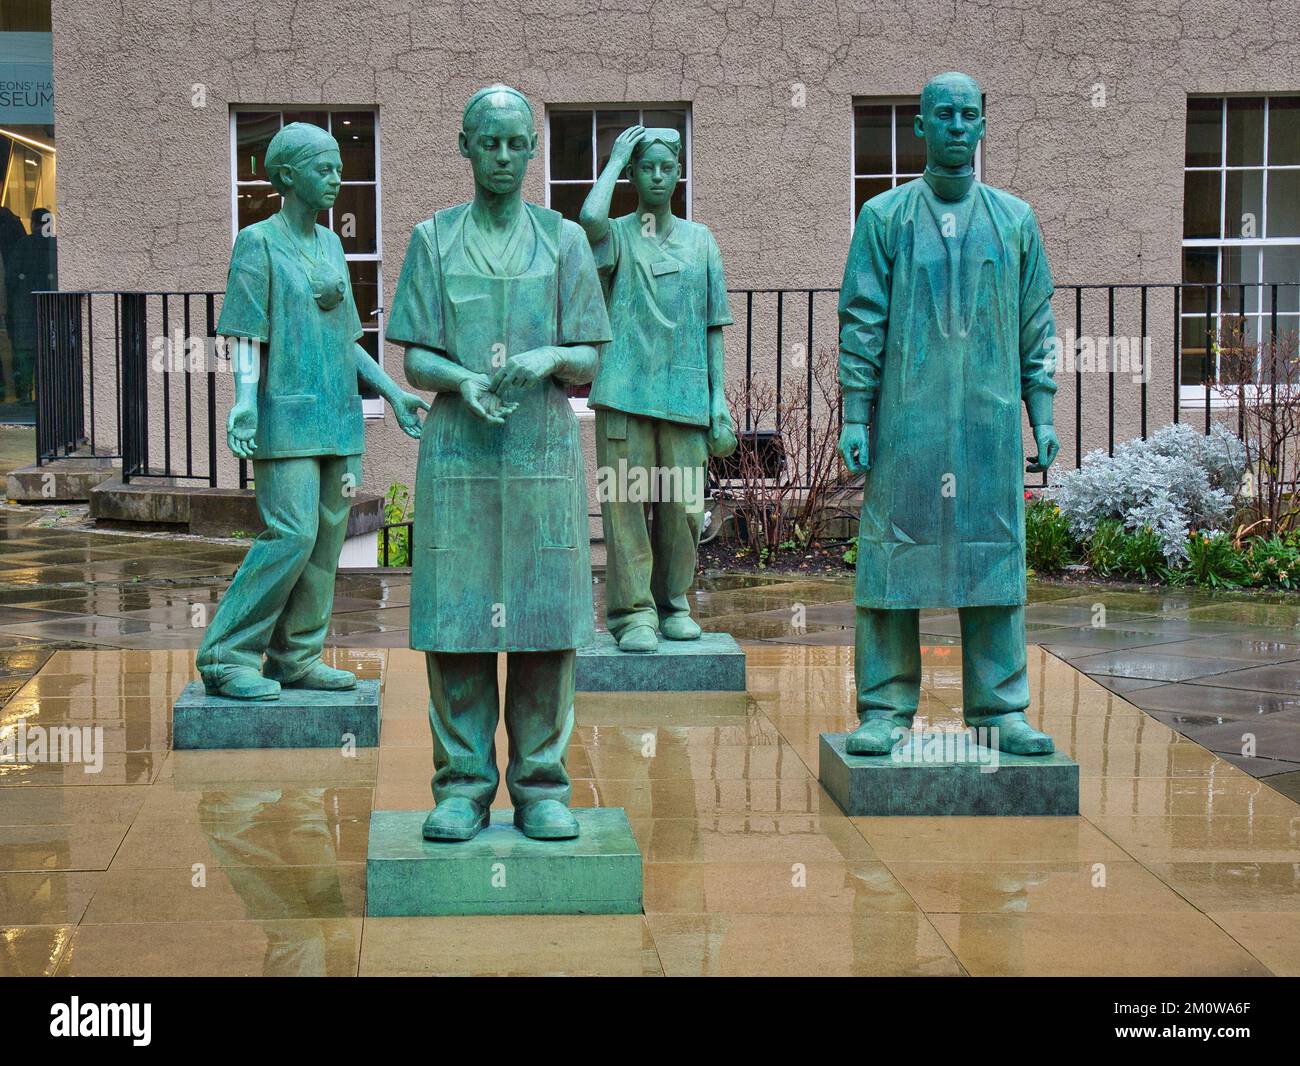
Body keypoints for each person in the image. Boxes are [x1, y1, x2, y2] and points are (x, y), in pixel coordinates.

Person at [386, 85, 611, 842]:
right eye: (491, 143)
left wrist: (550, 354)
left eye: (518, 143)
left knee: (545, 622)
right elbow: (414, 354)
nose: (506, 156)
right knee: (457, 623)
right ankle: (462, 786)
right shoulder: (434, 239)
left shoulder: (563, 240)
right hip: (460, 451)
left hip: (543, 450)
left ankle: (542, 785)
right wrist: (461, 379)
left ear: (532, 149)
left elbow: (590, 356)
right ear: (465, 147)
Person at [837, 72, 1060, 757]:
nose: (958, 124)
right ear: (921, 127)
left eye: (969, 114)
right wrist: (854, 413)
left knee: (993, 563)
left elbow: (1037, 325)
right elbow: (861, 320)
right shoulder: (884, 219)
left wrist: (1042, 414)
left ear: (984, 126)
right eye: (944, 114)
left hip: (987, 431)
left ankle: (999, 709)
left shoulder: (1015, 220)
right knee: (890, 567)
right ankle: (884, 707)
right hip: (908, 426)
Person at [196, 122, 428, 700]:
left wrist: (393, 392)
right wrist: (244, 403)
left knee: (327, 542)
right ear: (287, 176)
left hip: (339, 418)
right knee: (292, 535)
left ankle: (296, 657)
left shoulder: (331, 245)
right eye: (323, 168)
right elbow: (247, 333)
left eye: (337, 166)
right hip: (286, 417)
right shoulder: (258, 243)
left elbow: (347, 340)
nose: (336, 177)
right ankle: (225, 656)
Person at [579, 125, 735, 654]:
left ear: (679, 172)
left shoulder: (701, 241)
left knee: (685, 508)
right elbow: (589, 221)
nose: (659, 176)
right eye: (647, 166)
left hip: (686, 396)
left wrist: (718, 400)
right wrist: (617, 155)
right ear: (633, 173)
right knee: (625, 506)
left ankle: (674, 603)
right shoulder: (619, 235)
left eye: (668, 166)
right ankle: (632, 614)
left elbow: (714, 326)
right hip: (624, 390)